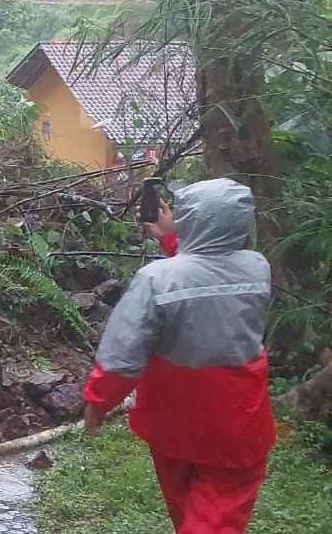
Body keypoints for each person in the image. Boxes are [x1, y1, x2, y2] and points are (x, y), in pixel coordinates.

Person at [82, 179, 274, 534]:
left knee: (189, 514)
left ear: (193, 222)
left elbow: (123, 351)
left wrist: (99, 400)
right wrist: (173, 240)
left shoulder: (156, 280)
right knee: (214, 520)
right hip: (237, 424)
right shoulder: (257, 269)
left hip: (173, 424)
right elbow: (208, 273)